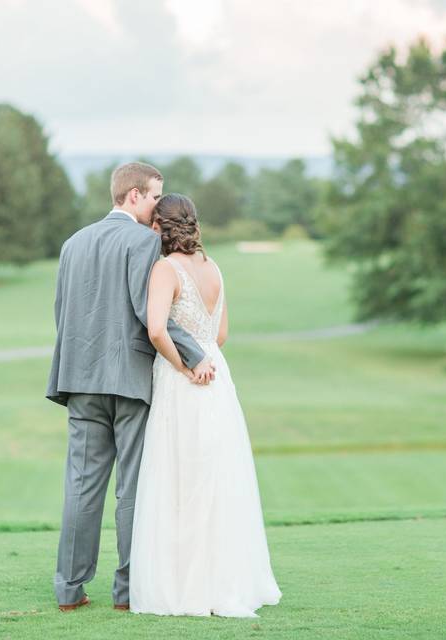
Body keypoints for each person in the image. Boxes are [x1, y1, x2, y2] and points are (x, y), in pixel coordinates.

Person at [46, 162, 217, 612]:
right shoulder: (144, 242)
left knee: (82, 487)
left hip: (79, 380)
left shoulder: (72, 243)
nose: (160, 206)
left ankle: (69, 589)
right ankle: (127, 591)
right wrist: (197, 355)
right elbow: (150, 316)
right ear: (135, 196)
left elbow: (63, 314)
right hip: (129, 381)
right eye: (156, 197)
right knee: (132, 488)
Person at [129, 193, 282, 617]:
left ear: (158, 227)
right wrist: (202, 361)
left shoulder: (165, 268)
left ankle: (187, 588)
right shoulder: (213, 267)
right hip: (218, 376)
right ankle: (223, 581)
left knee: (181, 478)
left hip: (186, 382)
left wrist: (183, 367)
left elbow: (157, 329)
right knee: (216, 476)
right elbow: (221, 335)